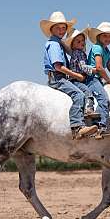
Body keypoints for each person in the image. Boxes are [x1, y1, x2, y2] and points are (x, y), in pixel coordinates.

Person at [40, 11, 98, 139]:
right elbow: (58, 67)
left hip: (59, 76)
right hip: (57, 78)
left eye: (63, 28)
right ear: (51, 29)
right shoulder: (54, 45)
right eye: (58, 28)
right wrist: (77, 76)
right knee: (79, 94)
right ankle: (77, 127)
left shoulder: (58, 43)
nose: (61, 30)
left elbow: (71, 52)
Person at [85, 21, 110, 138]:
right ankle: (100, 128)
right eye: (104, 35)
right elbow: (99, 67)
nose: (108, 38)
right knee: (104, 99)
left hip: (98, 80)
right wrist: (109, 81)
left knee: (104, 100)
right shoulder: (97, 48)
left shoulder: (106, 51)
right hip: (92, 79)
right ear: (98, 36)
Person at [62, 27, 99, 119]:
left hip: (77, 79)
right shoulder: (79, 53)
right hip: (76, 80)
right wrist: (94, 70)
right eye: (78, 41)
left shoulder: (77, 52)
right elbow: (83, 67)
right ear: (72, 45)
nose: (82, 42)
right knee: (87, 92)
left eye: (83, 40)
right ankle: (88, 109)